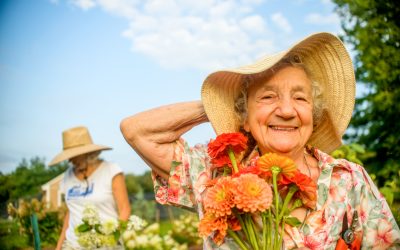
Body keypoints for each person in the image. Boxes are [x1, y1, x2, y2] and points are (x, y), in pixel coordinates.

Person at [120, 32, 400, 249]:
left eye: (300, 98)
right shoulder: (216, 173)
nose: (287, 110)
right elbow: (136, 130)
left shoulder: (349, 180)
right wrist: (216, 105)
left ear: (312, 114)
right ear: (244, 115)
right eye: (268, 97)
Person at [51, 126, 131, 250]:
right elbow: (71, 211)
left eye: (73, 155)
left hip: (106, 245)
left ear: (87, 153)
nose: (69, 160)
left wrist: (110, 240)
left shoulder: (111, 170)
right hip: (73, 245)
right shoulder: (67, 176)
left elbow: (125, 210)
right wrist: (59, 246)